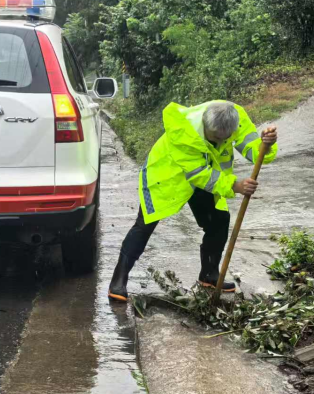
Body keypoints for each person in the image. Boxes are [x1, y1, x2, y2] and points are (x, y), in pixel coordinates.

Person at [108, 100, 278, 302]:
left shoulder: (234, 117)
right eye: (216, 137)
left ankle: (209, 274)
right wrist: (235, 186)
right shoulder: (183, 132)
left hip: (205, 173)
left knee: (219, 220)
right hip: (166, 175)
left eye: (226, 138)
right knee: (145, 224)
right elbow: (199, 175)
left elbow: (255, 152)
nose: (221, 142)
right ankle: (118, 280)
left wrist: (266, 145)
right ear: (205, 125)